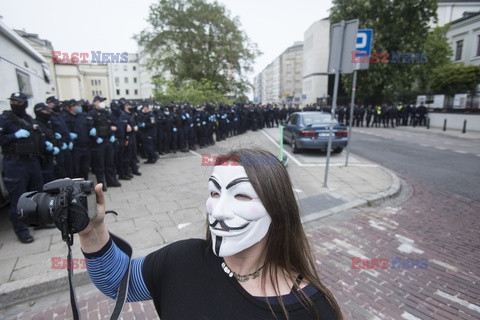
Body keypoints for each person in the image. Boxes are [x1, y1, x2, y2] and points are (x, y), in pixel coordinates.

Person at [79, 148, 342, 319]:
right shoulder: (181, 260)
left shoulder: (313, 310)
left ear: (278, 209)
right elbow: (117, 282)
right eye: (214, 192)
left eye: (240, 195)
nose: (218, 210)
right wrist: (92, 232)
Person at [0, 93, 44, 243]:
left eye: (19, 101)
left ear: (25, 103)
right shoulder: (5, 119)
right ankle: (21, 230)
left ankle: (37, 222)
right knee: (18, 198)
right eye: (13, 101)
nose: (15, 103)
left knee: (36, 194)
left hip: (31, 162)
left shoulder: (28, 119)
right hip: (15, 164)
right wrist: (14, 135)